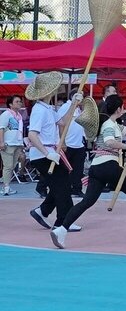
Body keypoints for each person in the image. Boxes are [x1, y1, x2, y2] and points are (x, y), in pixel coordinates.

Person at [49, 96, 126, 249]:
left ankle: (61, 230)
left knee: (87, 201)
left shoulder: (111, 124)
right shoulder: (109, 125)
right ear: (119, 109)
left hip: (96, 167)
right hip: (108, 165)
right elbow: (110, 142)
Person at [25, 73, 82, 233]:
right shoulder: (39, 110)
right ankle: (63, 222)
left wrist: (74, 104)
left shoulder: (48, 108)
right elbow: (32, 134)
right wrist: (47, 153)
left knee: (60, 185)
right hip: (43, 154)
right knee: (63, 186)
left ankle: (42, 211)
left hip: (50, 152)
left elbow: (63, 121)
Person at [55, 95, 87, 197]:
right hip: (67, 143)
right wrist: (62, 142)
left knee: (78, 169)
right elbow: (61, 124)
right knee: (62, 169)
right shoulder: (66, 107)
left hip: (78, 144)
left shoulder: (78, 109)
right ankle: (42, 187)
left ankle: (77, 188)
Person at [2, 95, 25, 196]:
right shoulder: (6, 114)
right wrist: (1, 142)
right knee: (8, 166)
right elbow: (1, 128)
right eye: (17, 101)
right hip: (8, 143)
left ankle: (7, 186)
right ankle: (6, 187)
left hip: (17, 143)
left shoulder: (19, 116)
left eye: (20, 101)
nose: (19, 103)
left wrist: (21, 143)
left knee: (12, 166)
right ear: (10, 104)